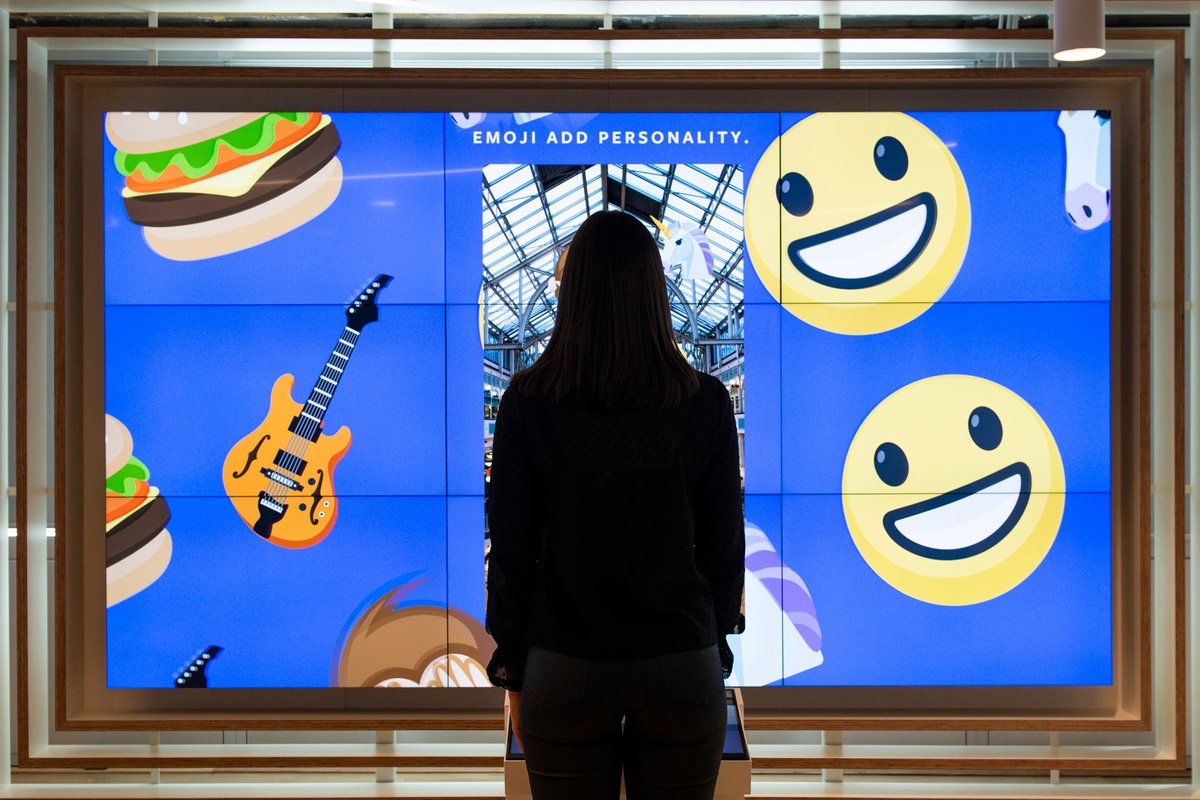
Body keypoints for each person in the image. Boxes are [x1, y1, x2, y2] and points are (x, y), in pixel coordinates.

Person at [485, 210, 745, 800]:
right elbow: (724, 547)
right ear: (655, 292)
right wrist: (715, 633)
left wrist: (516, 672)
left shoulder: (527, 401)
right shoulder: (703, 402)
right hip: (680, 658)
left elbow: (513, 554)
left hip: (564, 662)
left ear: (571, 294)